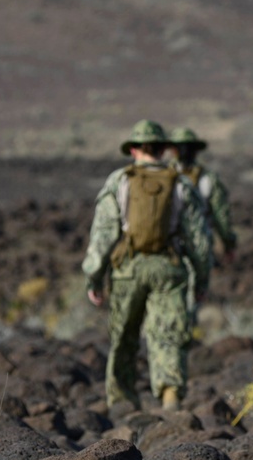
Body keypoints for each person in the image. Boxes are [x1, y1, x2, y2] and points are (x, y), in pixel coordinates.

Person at [82, 120, 212, 412]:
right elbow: (199, 242)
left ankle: (123, 404)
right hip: (169, 268)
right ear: (164, 149)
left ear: (134, 149)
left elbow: (103, 236)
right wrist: (201, 280)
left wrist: (94, 278)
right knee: (168, 333)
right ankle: (170, 397)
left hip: (128, 268)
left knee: (124, 336)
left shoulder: (119, 181)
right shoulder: (181, 183)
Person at [165, 126, 238, 328]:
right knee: (192, 297)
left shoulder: (160, 178)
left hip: (165, 247)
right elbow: (221, 216)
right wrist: (229, 244)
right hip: (198, 248)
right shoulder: (208, 180)